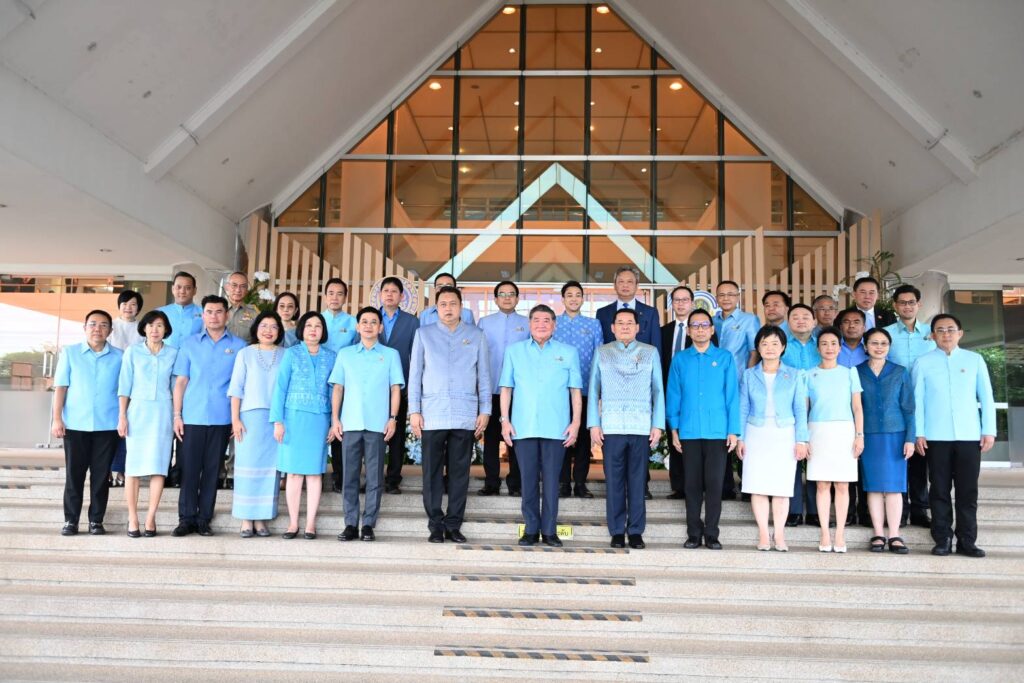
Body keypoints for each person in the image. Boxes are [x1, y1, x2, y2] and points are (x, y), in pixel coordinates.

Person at [409, 286, 490, 543]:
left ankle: (454, 524)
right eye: (443, 304)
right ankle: (435, 524)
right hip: (432, 413)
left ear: (461, 306)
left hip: (465, 413)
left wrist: (485, 410)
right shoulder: (424, 334)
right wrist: (414, 411)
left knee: (459, 472)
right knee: (431, 473)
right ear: (436, 308)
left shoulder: (476, 335)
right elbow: (415, 376)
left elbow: (484, 376)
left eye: (453, 303)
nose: (448, 308)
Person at [913, 314, 996, 558]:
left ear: (960, 333)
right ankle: (942, 539)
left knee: (967, 491)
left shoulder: (974, 360)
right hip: (935, 436)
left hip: (969, 435)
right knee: (938, 489)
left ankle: (967, 541)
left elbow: (986, 397)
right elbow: (917, 400)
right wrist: (919, 432)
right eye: (940, 330)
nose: (946, 334)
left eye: (950, 329)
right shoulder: (923, 362)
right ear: (932, 335)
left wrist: (989, 430)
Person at [500, 305, 583, 547]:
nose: (541, 324)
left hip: (557, 428)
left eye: (547, 320)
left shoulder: (568, 352)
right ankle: (530, 529)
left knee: (551, 482)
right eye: (536, 320)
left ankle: (549, 531)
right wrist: (505, 421)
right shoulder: (514, 351)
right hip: (523, 427)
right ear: (529, 324)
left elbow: (575, 391)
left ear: (554, 325)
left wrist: (576, 423)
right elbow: (506, 388)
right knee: (527, 481)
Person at [171, 295, 247, 537]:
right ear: (202, 315)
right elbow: (181, 381)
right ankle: (186, 519)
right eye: (209, 312)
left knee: (213, 470)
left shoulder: (239, 346)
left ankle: (204, 518)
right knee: (189, 469)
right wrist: (177, 415)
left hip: (222, 417)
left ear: (227, 315)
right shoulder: (189, 344)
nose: (214, 316)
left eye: (219, 311)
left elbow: (241, 385)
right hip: (192, 417)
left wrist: (236, 418)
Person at [665, 309, 739, 550]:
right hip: (689, 431)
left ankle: (712, 534)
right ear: (688, 331)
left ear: (712, 329)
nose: (699, 329)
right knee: (692, 485)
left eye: (704, 325)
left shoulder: (724, 358)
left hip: (717, 431)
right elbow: (674, 395)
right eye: (694, 325)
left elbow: (732, 396)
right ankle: (694, 533)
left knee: (715, 484)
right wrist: (674, 429)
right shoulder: (680, 359)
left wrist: (733, 431)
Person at [330, 307, 404, 543]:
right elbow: (338, 388)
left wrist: (393, 418)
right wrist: (335, 419)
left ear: (380, 328)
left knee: (374, 477)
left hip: (377, 425)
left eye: (374, 322)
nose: (369, 325)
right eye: (364, 321)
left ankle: (369, 524)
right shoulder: (345, 354)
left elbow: (395, 388)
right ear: (357, 326)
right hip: (350, 424)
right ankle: (350, 523)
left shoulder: (391, 355)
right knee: (349, 477)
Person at [737, 326, 808, 552]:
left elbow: (800, 409)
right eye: (765, 343)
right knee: (757, 485)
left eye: (775, 343)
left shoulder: (795, 374)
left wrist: (802, 440)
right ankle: (763, 534)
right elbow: (743, 408)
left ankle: (779, 534)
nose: (770, 348)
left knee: (781, 487)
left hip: (784, 434)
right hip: (755, 433)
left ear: (783, 347)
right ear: (758, 347)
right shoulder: (749, 375)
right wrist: (740, 438)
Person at [52, 310, 123, 536]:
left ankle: (96, 521)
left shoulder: (120, 356)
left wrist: (123, 418)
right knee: (74, 475)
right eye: (92, 324)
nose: (97, 329)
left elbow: (124, 391)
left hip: (107, 425)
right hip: (75, 425)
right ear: (85, 328)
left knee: (101, 477)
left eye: (103, 325)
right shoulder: (70, 353)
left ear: (110, 330)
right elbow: (61, 387)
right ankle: (70, 520)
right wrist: (57, 419)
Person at [596, 266, 662, 500]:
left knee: (639, 449)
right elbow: (601, 347)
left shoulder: (649, 312)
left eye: (630, 281)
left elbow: (655, 346)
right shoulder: (603, 313)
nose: (625, 285)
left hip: (641, 384)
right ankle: (615, 487)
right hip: (612, 385)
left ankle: (641, 486)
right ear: (614, 285)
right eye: (621, 281)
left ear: (637, 286)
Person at [271, 311, 336, 540]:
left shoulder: (332, 356)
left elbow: (335, 391)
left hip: (319, 420)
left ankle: (310, 524)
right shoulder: (291, 353)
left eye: (318, 326)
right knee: (294, 473)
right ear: (302, 329)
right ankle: (292, 523)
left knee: (315, 474)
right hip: (293, 418)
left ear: (323, 331)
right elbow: (280, 387)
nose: (313, 330)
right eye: (309, 325)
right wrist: (278, 421)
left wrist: (334, 422)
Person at [117, 310, 176, 537]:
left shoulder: (174, 353)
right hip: (138, 412)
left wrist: (177, 416)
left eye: (159, 325)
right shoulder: (132, 352)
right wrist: (122, 416)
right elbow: (124, 386)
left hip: (163, 412)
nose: (154, 330)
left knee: (158, 466)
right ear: (143, 328)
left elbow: (176, 387)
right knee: (132, 467)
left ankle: (151, 517)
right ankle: (133, 517)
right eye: (150, 325)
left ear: (166, 329)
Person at [805, 327, 865, 553]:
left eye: (833, 344)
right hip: (817, 431)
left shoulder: (850, 373)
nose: (829, 348)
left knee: (842, 485)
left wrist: (859, 436)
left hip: (844, 431)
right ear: (817, 348)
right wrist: (803, 438)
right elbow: (805, 409)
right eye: (824, 343)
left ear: (840, 348)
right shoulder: (808, 374)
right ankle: (824, 532)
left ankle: (839, 533)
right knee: (822, 484)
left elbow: (857, 408)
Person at [857, 328, 915, 554]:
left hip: (896, 434)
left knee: (894, 487)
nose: (879, 347)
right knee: (873, 486)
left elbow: (909, 408)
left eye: (883, 343)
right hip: (868, 435)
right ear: (865, 346)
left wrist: (910, 438)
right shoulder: (856, 371)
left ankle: (895, 535)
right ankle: (878, 533)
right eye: (874, 343)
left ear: (889, 347)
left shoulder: (900, 371)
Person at [228, 311, 285, 538]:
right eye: (264, 326)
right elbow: (236, 388)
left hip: (275, 418)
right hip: (249, 417)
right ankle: (246, 518)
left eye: (273, 326)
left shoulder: (286, 354)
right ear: (256, 329)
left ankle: (261, 518)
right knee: (247, 467)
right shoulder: (245, 353)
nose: (268, 331)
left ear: (279, 331)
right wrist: (235, 419)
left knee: (270, 469)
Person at [884, 283, 936, 528]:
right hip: (894, 403)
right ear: (895, 306)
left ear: (919, 304)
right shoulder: (886, 334)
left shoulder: (931, 334)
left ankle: (920, 510)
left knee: (920, 458)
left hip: (924, 402)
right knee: (899, 456)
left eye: (911, 302)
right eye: (902, 303)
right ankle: (900, 510)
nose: (907, 306)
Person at [478, 281, 530, 496]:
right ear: (495, 299)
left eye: (511, 294)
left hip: (518, 390)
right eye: (502, 294)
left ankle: (515, 482)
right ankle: (491, 482)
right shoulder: (484, 322)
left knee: (515, 438)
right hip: (490, 388)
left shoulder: (527, 323)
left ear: (517, 299)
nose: (507, 298)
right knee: (490, 438)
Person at [552, 280, 602, 499]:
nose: (574, 299)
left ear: (583, 299)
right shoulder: (554, 323)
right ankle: (563, 482)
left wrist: (598, 390)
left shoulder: (593, 324)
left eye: (578, 295)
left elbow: (599, 357)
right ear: (563, 299)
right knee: (561, 436)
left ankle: (580, 482)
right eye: (569, 295)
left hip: (586, 390)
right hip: (559, 390)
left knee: (583, 438)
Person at [713, 280, 758, 501]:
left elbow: (754, 351)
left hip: (740, 384)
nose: (726, 298)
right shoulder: (712, 321)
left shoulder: (749, 320)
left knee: (742, 433)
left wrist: (748, 379)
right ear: (716, 297)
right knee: (722, 435)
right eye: (722, 294)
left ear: (738, 296)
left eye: (731, 294)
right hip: (715, 387)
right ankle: (726, 485)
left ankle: (747, 484)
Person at [377, 276, 419, 495]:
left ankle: (393, 479)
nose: (389, 295)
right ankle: (373, 478)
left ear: (402, 296)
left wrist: (412, 387)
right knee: (374, 436)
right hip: (373, 389)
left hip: (400, 388)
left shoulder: (411, 322)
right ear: (380, 295)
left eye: (394, 291)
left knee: (397, 435)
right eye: (386, 291)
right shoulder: (371, 317)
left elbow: (416, 357)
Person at [781, 303, 820, 527]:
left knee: (816, 457)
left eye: (806, 316)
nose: (801, 320)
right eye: (795, 317)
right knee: (792, 457)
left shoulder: (823, 343)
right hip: (790, 407)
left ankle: (815, 510)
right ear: (788, 322)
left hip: (819, 407)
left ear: (814, 321)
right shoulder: (782, 346)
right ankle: (793, 509)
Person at [321, 278, 358, 492]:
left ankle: (340, 478)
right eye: (331, 293)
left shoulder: (353, 323)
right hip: (318, 382)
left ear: (345, 297)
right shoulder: (317, 320)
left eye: (340, 293)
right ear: (325, 296)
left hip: (344, 384)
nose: (335, 297)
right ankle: (314, 474)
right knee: (319, 428)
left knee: (340, 430)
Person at [660, 285, 695, 499]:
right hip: (669, 392)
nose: (681, 304)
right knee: (674, 438)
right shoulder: (664, 331)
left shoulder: (702, 329)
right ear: (672, 304)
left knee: (691, 439)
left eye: (685, 300)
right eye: (677, 300)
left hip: (694, 393)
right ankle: (679, 486)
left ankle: (694, 484)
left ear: (692, 303)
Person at [108, 289, 144, 488]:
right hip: (111, 381)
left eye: (133, 304)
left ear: (138, 308)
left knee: (127, 427)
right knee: (109, 427)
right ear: (119, 306)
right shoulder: (111, 326)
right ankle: (106, 469)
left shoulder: (143, 328)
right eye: (125, 304)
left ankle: (122, 469)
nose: (128, 308)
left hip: (134, 384)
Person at [158, 271, 203, 348]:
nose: (182, 291)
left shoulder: (205, 313)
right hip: (165, 355)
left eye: (188, 288)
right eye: (178, 287)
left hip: (193, 355)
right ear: (173, 289)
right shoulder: (159, 312)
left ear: (194, 290)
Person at [224, 271, 259, 343]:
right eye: (234, 285)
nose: (238, 290)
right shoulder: (217, 310)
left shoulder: (254, 312)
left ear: (247, 290)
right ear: (227, 287)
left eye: (243, 286)